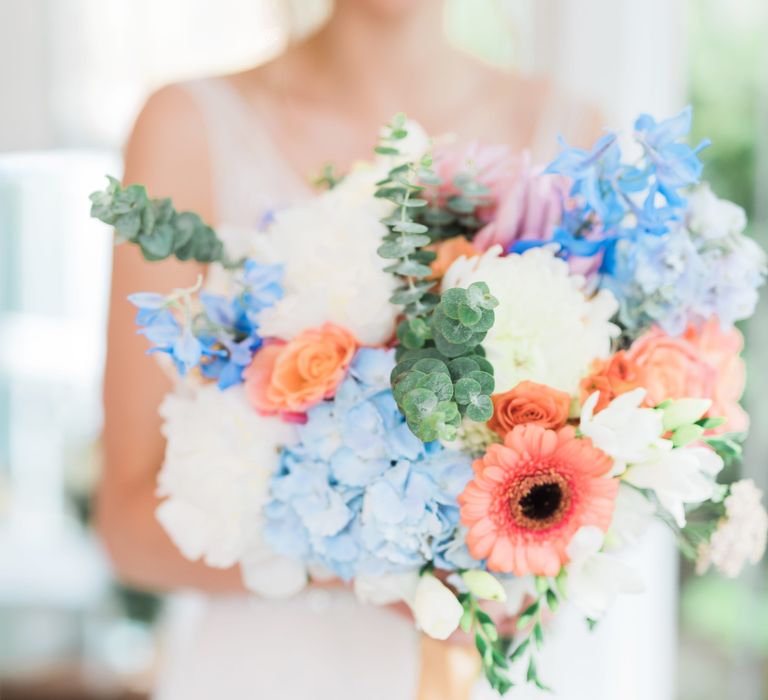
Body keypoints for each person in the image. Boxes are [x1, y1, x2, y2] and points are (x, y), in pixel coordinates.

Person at [98, 1, 674, 698]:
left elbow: (624, 452)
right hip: (271, 672)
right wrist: (380, 553)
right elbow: (127, 528)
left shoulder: (575, 132)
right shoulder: (187, 126)